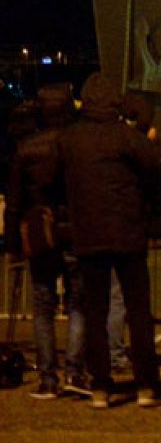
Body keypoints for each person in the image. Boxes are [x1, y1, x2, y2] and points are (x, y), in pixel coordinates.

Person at [58, 73, 161, 408]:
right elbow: (155, 169)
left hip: (88, 234)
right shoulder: (126, 137)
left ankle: (100, 386)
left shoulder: (70, 139)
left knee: (94, 312)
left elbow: (56, 179)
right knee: (138, 312)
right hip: (127, 232)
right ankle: (146, 385)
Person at [4, 84, 86, 399]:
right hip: (75, 231)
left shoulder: (26, 149)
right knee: (78, 304)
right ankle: (75, 371)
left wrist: (11, 245)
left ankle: (48, 377)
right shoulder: (79, 146)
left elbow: (14, 202)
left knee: (43, 306)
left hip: (41, 233)